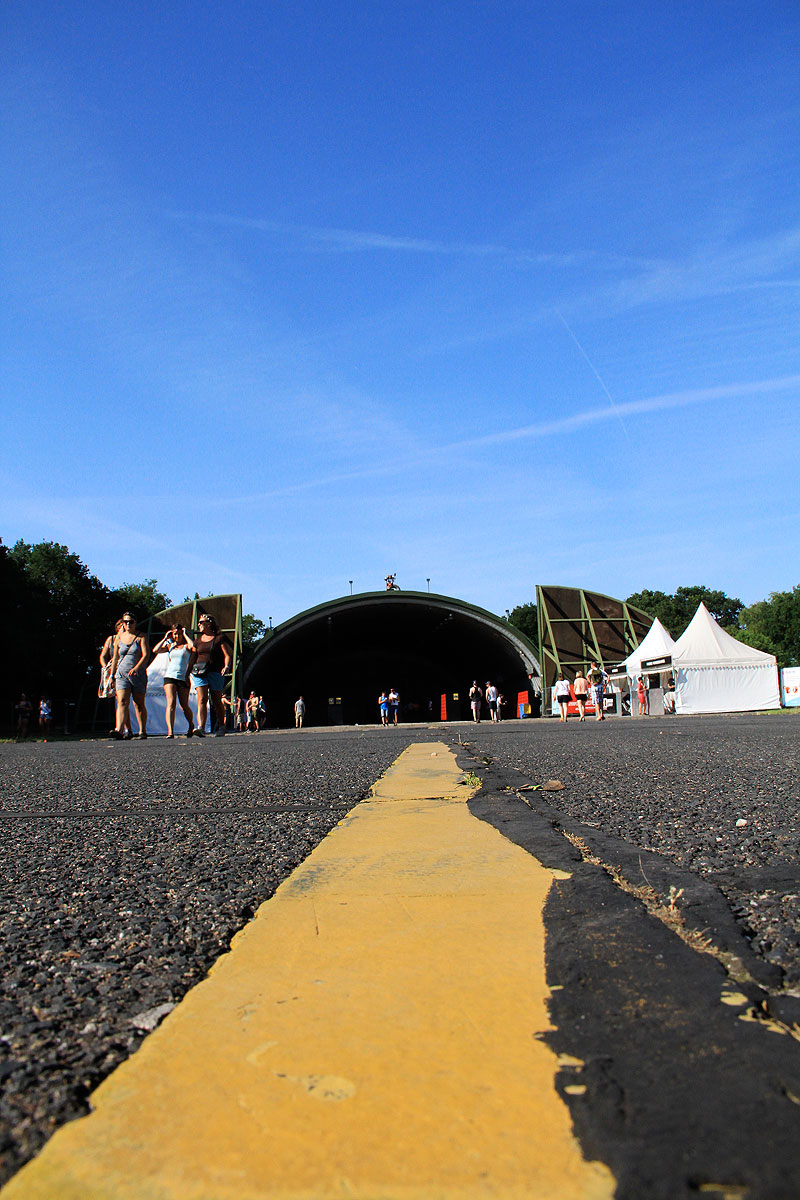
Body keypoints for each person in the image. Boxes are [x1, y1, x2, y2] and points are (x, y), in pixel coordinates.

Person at [150, 623, 196, 738]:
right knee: (171, 703)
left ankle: (191, 725)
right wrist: (165, 638)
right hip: (170, 676)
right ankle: (170, 731)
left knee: (184, 705)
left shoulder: (186, 646)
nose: (177, 636)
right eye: (175, 634)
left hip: (183, 676)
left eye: (179, 634)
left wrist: (185, 635)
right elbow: (155, 650)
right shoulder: (170, 646)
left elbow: (193, 647)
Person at [191, 614, 232, 737]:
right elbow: (192, 657)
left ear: (208, 624)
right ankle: (201, 727)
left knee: (216, 700)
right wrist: (187, 672)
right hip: (199, 672)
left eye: (201, 622)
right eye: (199, 622)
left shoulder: (219, 638)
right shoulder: (197, 641)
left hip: (215, 671)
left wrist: (226, 666)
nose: (199, 625)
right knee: (202, 699)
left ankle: (221, 725)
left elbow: (227, 655)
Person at [110, 613, 149, 739]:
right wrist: (112, 675)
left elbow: (146, 655)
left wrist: (137, 667)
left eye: (130, 621)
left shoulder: (141, 637)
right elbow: (115, 657)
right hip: (121, 674)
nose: (128, 624)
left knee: (138, 703)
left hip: (137, 674)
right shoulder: (119, 638)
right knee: (122, 701)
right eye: (125, 622)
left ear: (135, 622)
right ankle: (120, 730)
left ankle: (142, 730)